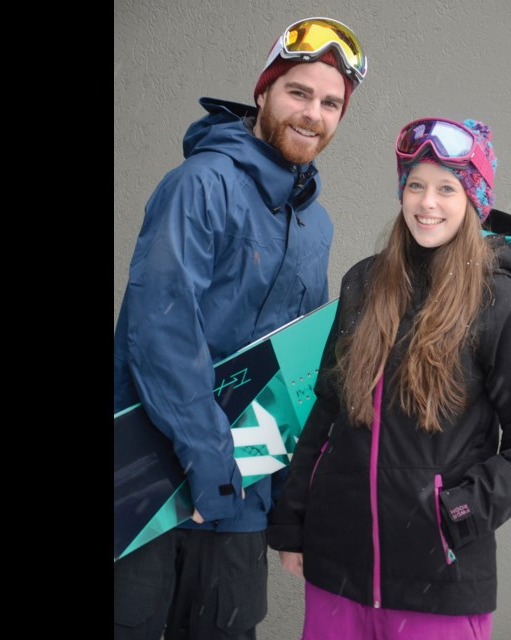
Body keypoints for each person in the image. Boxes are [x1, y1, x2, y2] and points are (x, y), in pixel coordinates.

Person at [113, 17, 367, 640]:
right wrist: (210, 465)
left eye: (330, 103)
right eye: (298, 92)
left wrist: (290, 501)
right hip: (154, 487)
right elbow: (161, 332)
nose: (312, 113)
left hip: (241, 501)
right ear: (264, 92)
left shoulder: (318, 227)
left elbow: (295, 372)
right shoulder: (201, 184)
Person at [267, 117, 511, 639]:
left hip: (440, 578)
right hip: (338, 566)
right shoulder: (364, 282)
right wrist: (293, 522)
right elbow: (328, 407)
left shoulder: (501, 306)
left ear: (473, 200)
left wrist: (460, 511)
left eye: (447, 188)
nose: (427, 203)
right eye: (416, 185)